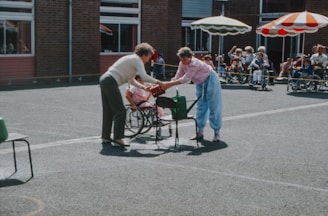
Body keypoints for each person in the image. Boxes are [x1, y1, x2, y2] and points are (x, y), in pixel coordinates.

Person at [99, 42, 167, 147]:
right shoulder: (137, 60)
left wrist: (144, 88)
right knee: (120, 111)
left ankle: (105, 137)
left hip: (105, 80)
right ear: (144, 54)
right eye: (149, 56)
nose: (149, 59)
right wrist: (159, 82)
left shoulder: (132, 60)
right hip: (110, 81)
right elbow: (144, 76)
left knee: (109, 110)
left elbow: (131, 81)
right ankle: (118, 138)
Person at [165, 47, 222, 142]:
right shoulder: (182, 63)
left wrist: (168, 84)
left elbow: (185, 79)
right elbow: (178, 76)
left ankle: (216, 133)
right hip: (200, 82)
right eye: (181, 59)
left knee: (213, 105)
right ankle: (200, 132)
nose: (183, 61)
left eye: (184, 59)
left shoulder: (194, 64)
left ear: (190, 57)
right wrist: (168, 84)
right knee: (200, 106)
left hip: (210, 79)